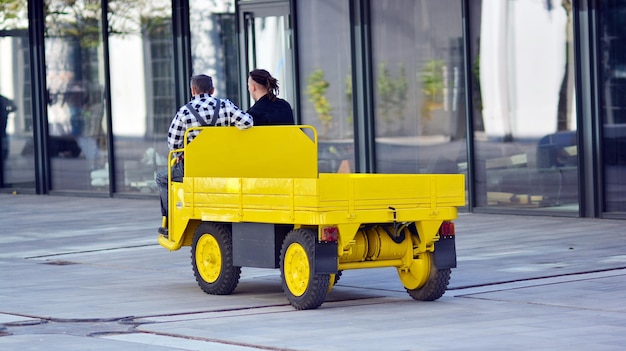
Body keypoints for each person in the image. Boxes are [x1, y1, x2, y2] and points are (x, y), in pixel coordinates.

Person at [156, 74, 254, 236]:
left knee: (162, 178)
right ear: (212, 90)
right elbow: (248, 123)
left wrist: (183, 151)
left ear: (193, 90)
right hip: (225, 166)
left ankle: (170, 223)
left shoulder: (184, 112)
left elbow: (173, 144)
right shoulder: (225, 105)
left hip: (195, 169)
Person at [0, 95, 17, 162]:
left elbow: (14, 107)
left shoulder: (4, 99)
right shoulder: (4, 99)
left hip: (3, 124)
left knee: (4, 138)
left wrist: (6, 112)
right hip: (3, 123)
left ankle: (4, 152)